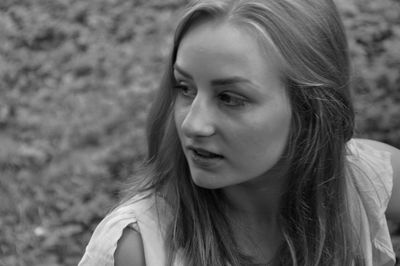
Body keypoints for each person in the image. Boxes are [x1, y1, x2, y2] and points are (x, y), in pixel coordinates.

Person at [78, 0, 400, 265]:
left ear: (311, 108)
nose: (192, 124)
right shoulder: (138, 248)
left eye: (230, 98)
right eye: (185, 88)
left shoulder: (363, 179)